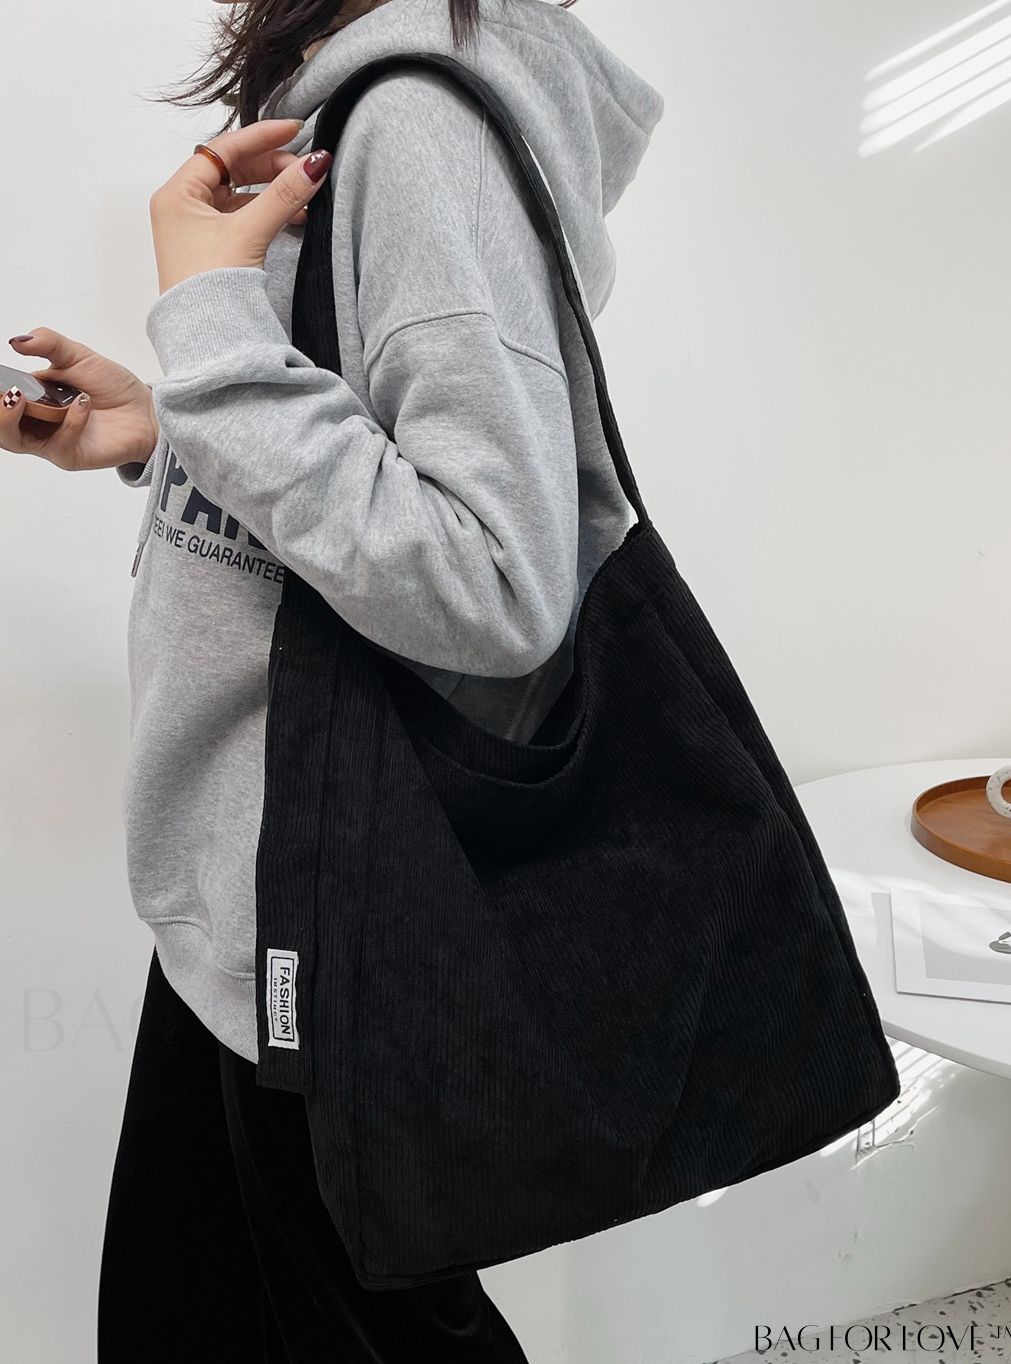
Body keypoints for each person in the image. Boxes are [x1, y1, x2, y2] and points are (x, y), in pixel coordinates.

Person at [1, 0, 663, 1357]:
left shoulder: (422, 123)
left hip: (321, 910)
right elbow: (364, 475)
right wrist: (168, 428)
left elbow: (493, 580)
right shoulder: (354, 106)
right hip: (243, 896)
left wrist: (213, 326)